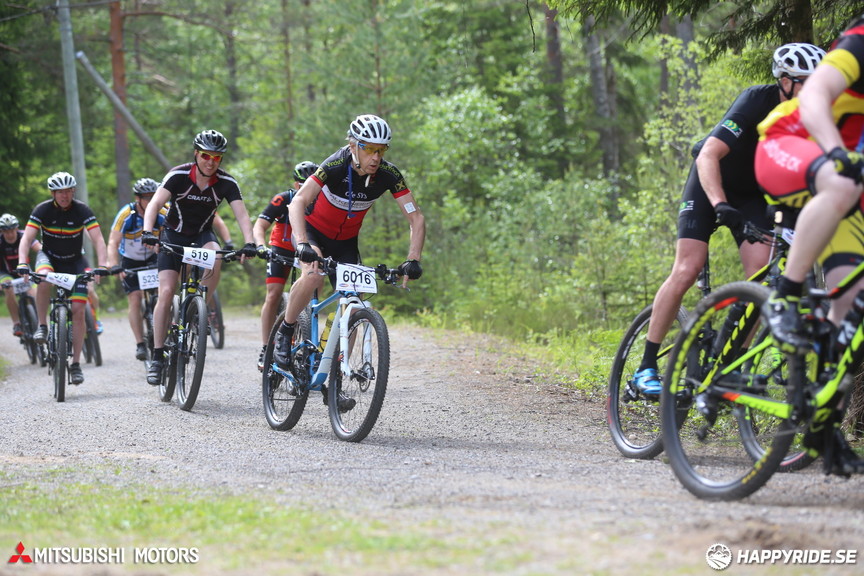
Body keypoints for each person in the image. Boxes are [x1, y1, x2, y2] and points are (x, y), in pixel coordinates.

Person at [629, 43, 825, 397]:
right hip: (710, 184)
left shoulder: (815, 117)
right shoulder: (756, 101)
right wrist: (720, 205)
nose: (813, 90)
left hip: (752, 195)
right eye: (803, 82)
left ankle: (728, 363)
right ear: (783, 81)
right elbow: (708, 154)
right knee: (688, 267)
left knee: (761, 278)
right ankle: (645, 366)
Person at [757, 20, 864, 471]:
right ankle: (785, 295)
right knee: (839, 183)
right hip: (790, 142)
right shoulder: (860, 42)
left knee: (849, 320)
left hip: (849, 187)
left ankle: (822, 428)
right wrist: (837, 150)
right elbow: (816, 95)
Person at [272, 114, 425, 408]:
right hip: (313, 234)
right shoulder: (335, 164)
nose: (376, 157)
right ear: (354, 145)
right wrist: (302, 242)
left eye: (382, 150)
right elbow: (298, 202)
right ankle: (287, 330)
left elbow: (416, 218)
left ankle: (335, 378)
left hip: (345, 244)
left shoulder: (389, 175)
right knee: (313, 276)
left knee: (353, 305)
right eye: (370, 148)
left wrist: (413, 259)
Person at [141, 129, 257, 385]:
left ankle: (198, 307)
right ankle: (158, 355)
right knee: (167, 291)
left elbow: (242, 215)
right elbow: (154, 204)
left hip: (202, 234)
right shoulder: (178, 175)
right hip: (172, 234)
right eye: (206, 156)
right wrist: (148, 231)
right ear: (196, 154)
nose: (211, 161)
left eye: (217, 157)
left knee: (215, 256)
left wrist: (249, 242)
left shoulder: (227, 182)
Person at [16, 172, 109, 385]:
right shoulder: (42, 210)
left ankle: (75, 365)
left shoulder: (82, 210)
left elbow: (98, 239)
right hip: (49, 257)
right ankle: (41, 325)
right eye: (59, 192)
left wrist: (102, 265)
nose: (64, 196)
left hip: (75, 261)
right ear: (53, 193)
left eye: (67, 191)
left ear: (73, 191)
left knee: (78, 310)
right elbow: (27, 238)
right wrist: (22, 261)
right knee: (43, 277)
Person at [252, 160, 319, 371]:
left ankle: (307, 337)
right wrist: (261, 246)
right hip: (280, 248)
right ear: (295, 183)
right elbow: (260, 225)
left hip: (307, 247)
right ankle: (266, 347)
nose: (304, 187)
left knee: (314, 288)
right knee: (273, 295)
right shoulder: (284, 198)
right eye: (301, 183)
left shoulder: (321, 202)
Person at [107, 177, 167, 361]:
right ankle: (140, 343)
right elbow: (113, 242)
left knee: (163, 293)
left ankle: (165, 332)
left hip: (153, 257)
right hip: (130, 261)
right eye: (146, 198)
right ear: (137, 198)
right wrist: (114, 264)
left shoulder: (164, 211)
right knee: (134, 298)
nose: (151, 201)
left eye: (153, 197)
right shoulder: (126, 214)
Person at [0, 213, 42, 336]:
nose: (9, 234)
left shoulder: (24, 236)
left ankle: (38, 321)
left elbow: (38, 247)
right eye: (6, 231)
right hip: (5, 273)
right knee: (9, 290)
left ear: (17, 228)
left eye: (12, 230)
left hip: (24, 271)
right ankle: (17, 323)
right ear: (2, 232)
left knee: (34, 294)